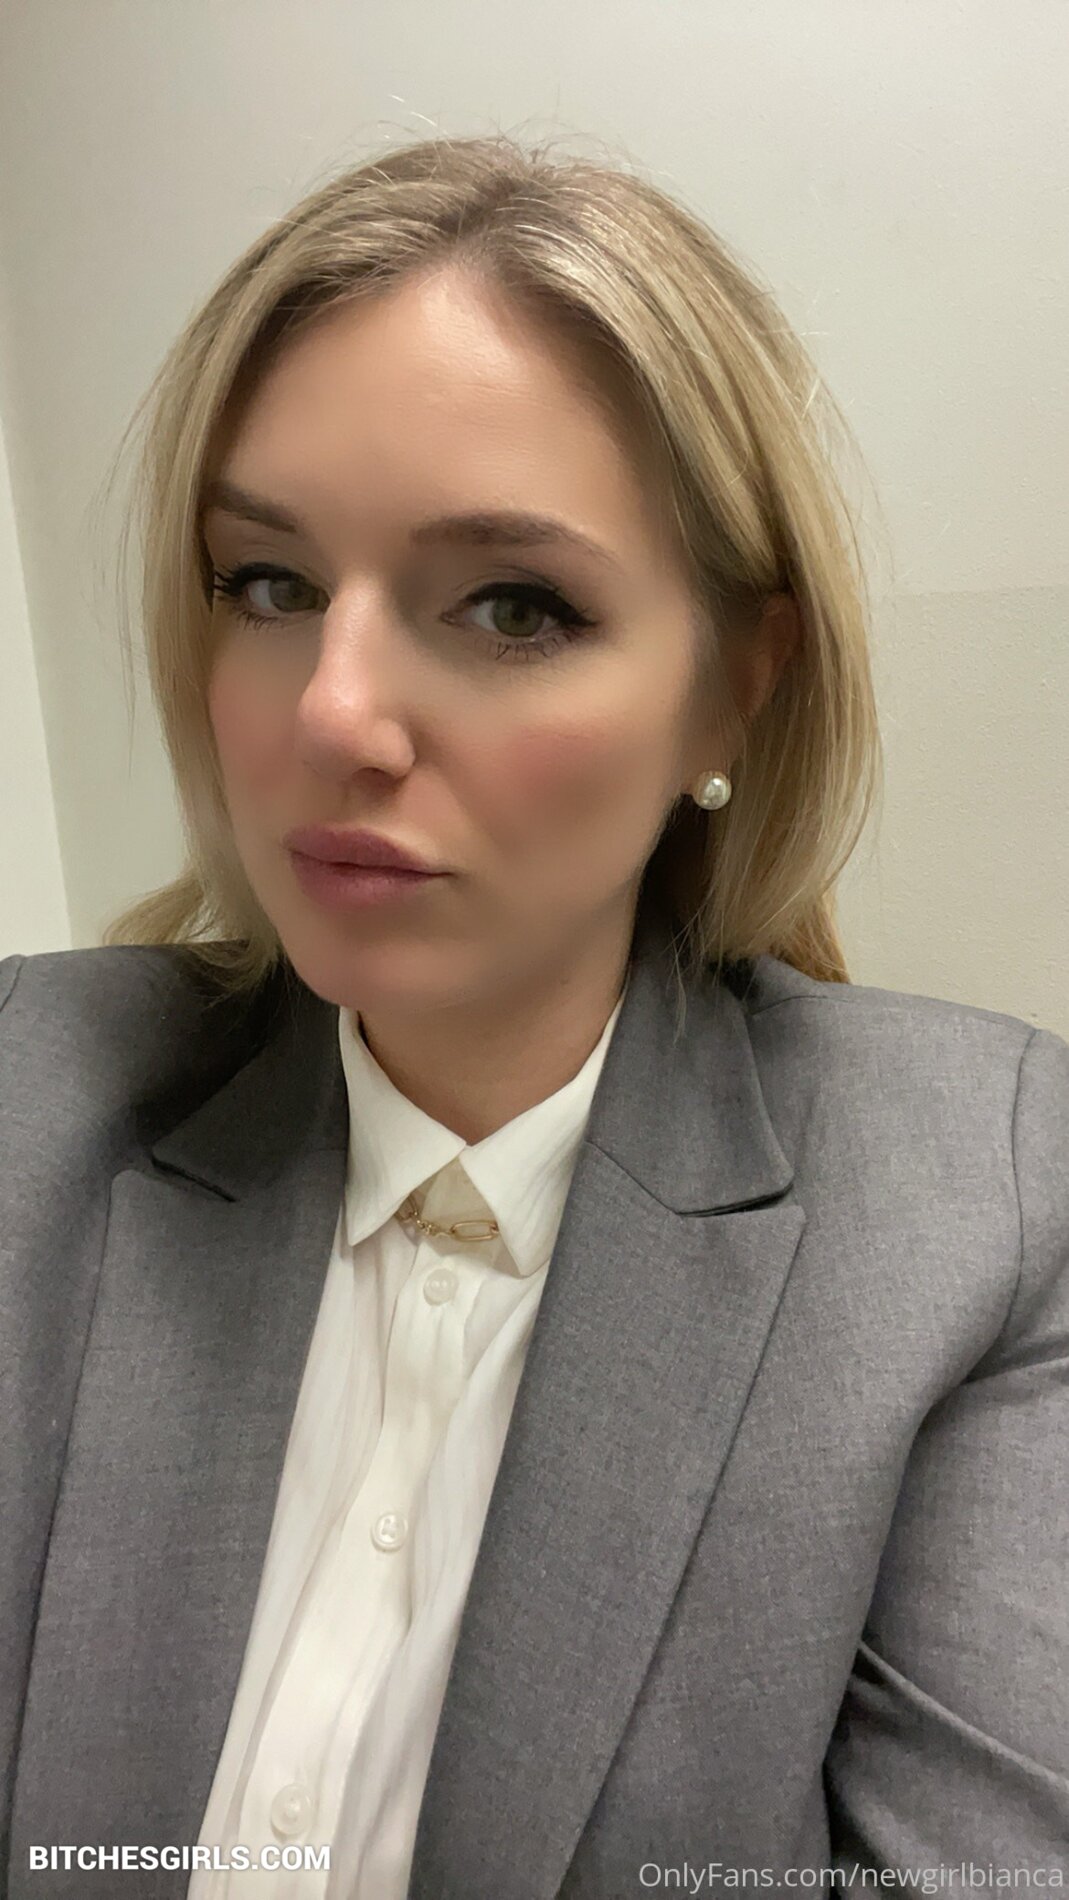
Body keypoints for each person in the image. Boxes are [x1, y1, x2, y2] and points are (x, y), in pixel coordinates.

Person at [1, 132, 1066, 1900]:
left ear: (734, 685)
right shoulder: (29, 1098)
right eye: (267, 582)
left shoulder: (978, 1206)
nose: (332, 714)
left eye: (513, 606)